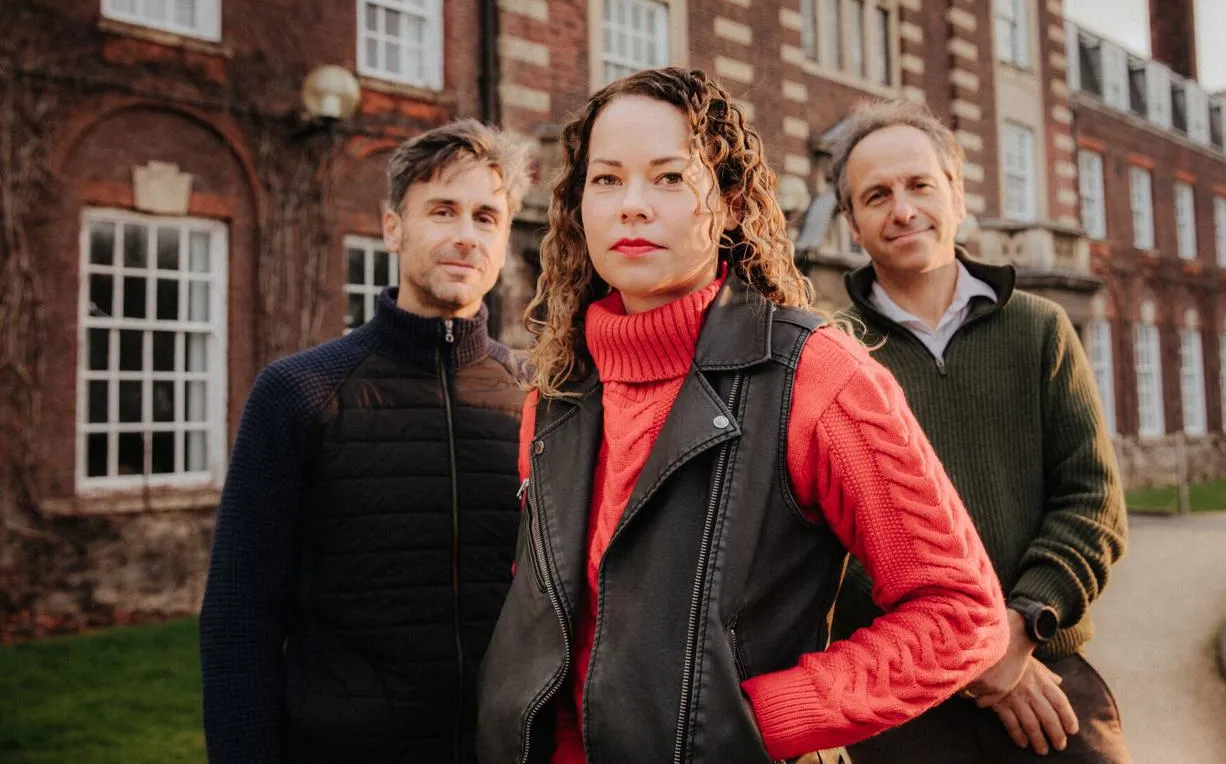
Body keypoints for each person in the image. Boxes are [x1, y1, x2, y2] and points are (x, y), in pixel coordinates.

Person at [476, 67, 1009, 764]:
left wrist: (757, 720)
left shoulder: (818, 376)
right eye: (606, 180)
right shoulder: (556, 390)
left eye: (669, 177)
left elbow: (960, 613)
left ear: (729, 202)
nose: (632, 205)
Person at [199, 120, 532, 762]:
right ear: (392, 228)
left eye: (487, 217)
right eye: (443, 210)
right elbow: (240, 615)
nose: (466, 235)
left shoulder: (539, 395)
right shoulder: (300, 391)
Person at [826, 100, 1130, 762]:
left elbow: (1092, 503)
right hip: (909, 707)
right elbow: (829, 545)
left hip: (1050, 679)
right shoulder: (826, 355)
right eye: (876, 195)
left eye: (919, 185)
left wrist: (1019, 630)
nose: (902, 209)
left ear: (958, 195)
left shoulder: (1040, 329)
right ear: (852, 223)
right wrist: (965, 656)